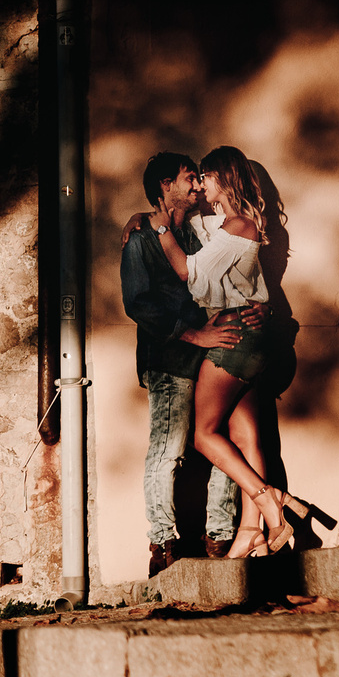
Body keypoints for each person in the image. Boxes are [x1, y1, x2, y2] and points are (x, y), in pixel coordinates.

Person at [142, 144, 302, 558]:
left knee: (203, 434)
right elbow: (191, 225)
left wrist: (159, 232)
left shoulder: (239, 226)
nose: (200, 184)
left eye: (206, 177)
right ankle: (253, 533)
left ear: (223, 179)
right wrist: (141, 219)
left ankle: (267, 499)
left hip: (235, 335)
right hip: (252, 336)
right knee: (246, 434)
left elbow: (188, 271)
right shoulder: (225, 224)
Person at [121, 151, 263, 575]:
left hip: (209, 356)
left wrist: (261, 307)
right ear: (166, 186)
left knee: (219, 442)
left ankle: (220, 535)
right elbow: (138, 304)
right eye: (189, 180)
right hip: (168, 358)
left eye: (201, 180)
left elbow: (237, 273)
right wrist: (194, 334)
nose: (198, 187)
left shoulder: (200, 232)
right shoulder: (141, 238)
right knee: (169, 451)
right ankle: (162, 544)